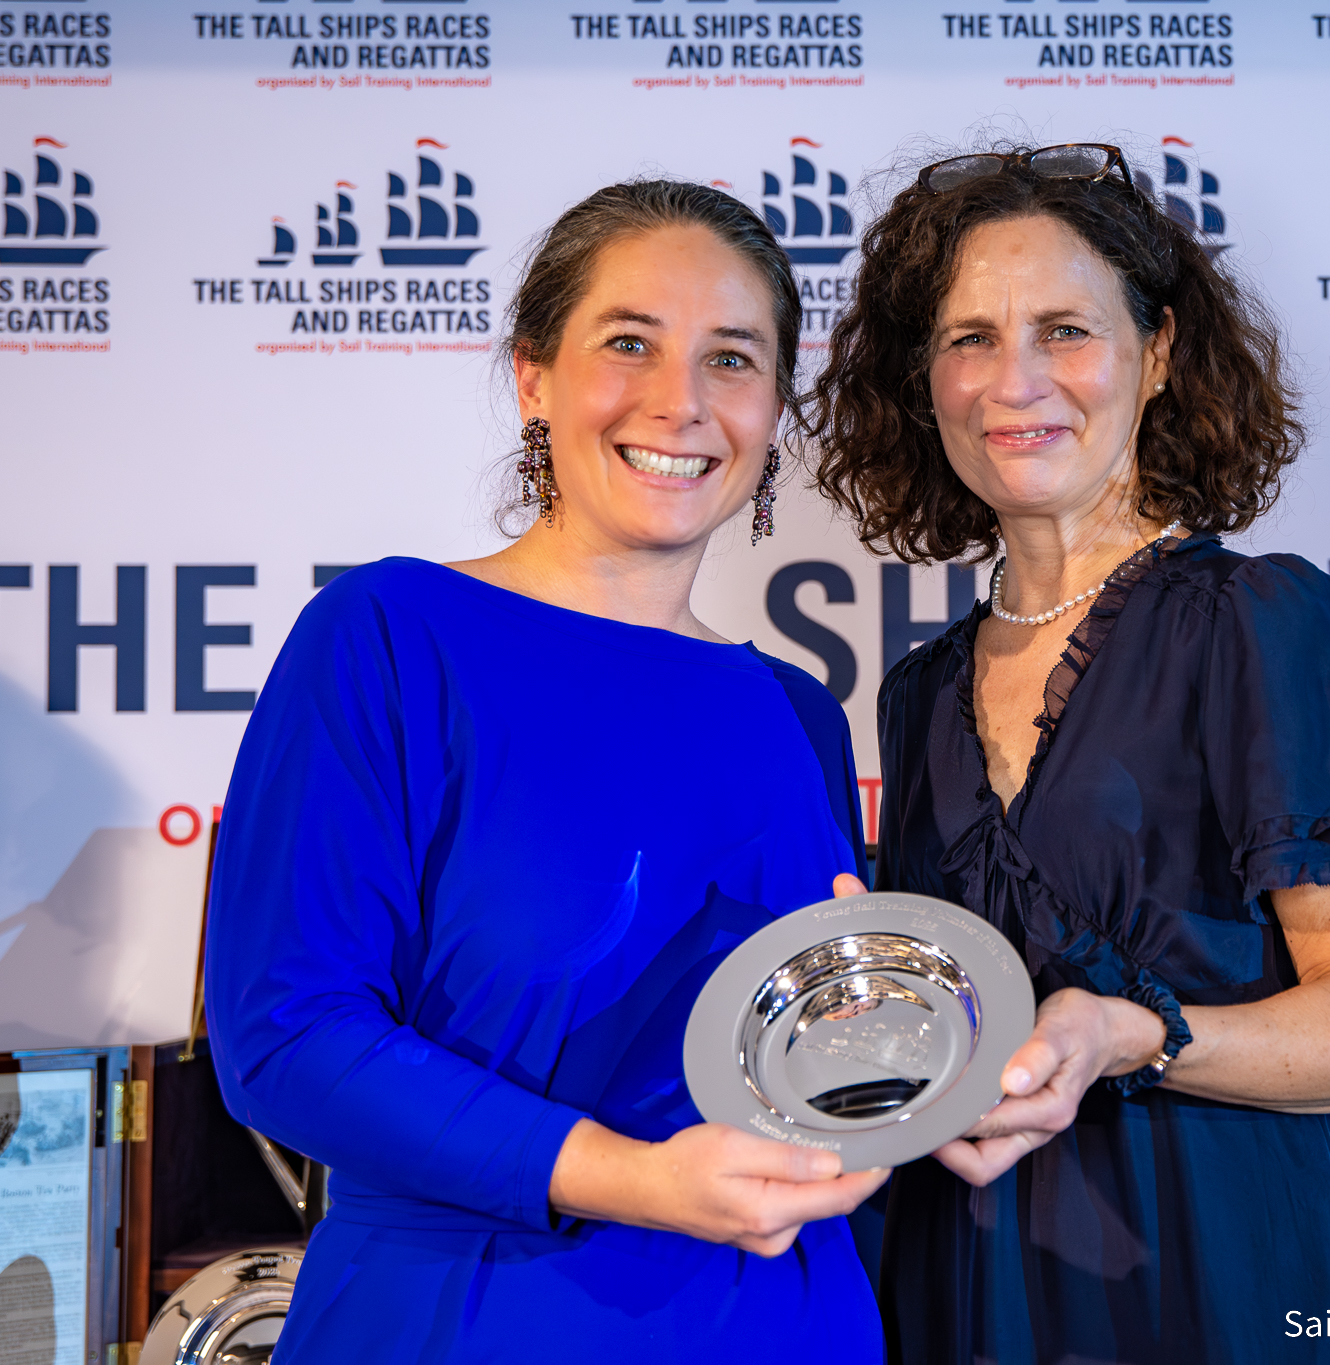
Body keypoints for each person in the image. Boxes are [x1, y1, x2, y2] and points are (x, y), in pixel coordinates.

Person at [205, 181, 888, 1361]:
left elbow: (809, 1081)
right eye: (629, 343)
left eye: (731, 359)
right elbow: (287, 1037)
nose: (680, 401)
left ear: (775, 407)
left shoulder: (796, 714)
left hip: (784, 1320)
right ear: (533, 376)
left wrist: (883, 1054)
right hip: (471, 1319)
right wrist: (630, 1178)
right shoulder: (392, 635)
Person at [807, 144, 1330, 1363]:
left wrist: (1132, 1033)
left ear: (1157, 355)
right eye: (968, 338)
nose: (1014, 381)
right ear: (923, 381)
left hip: (1213, 1276)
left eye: (1064, 331)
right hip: (962, 1278)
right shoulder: (918, 693)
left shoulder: (1259, 622)